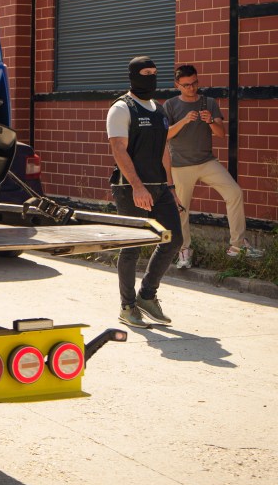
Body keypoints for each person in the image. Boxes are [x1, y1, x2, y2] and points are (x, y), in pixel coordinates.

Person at [106, 56, 183, 328]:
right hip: (130, 188)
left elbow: (163, 150)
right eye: (145, 72)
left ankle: (147, 296)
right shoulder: (121, 108)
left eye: (154, 72)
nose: (150, 76)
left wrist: (170, 186)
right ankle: (127, 307)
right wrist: (137, 186)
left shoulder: (158, 109)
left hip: (160, 187)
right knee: (132, 248)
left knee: (173, 240)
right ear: (133, 76)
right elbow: (118, 149)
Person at [164, 64, 261, 268]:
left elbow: (221, 133)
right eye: (187, 85)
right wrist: (183, 121)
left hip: (207, 162)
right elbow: (164, 135)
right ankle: (184, 250)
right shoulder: (170, 105)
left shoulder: (208, 102)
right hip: (181, 166)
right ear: (177, 85)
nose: (192, 88)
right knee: (181, 209)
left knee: (234, 192)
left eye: (195, 83)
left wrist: (210, 121)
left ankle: (237, 245)